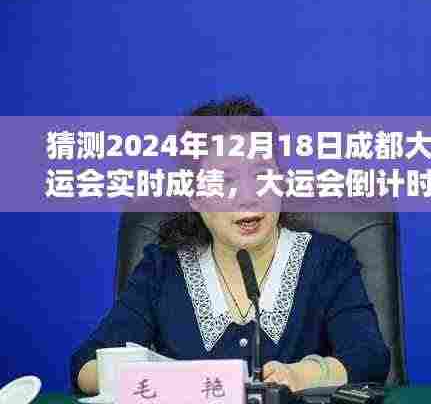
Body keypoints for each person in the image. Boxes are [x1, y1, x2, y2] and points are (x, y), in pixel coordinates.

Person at [71, 96, 390, 394]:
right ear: (194, 196)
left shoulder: (326, 260)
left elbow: (369, 357)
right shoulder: (163, 269)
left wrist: (299, 375)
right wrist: (175, 383)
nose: (248, 196)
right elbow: (86, 365)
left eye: (262, 175)